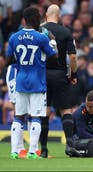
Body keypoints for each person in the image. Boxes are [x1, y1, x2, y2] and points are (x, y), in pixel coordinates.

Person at [6, 7, 57, 159]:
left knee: (18, 116)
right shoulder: (42, 37)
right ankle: (32, 152)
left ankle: (14, 151)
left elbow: (9, 59)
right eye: (39, 17)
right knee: (35, 116)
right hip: (37, 81)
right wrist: (52, 41)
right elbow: (54, 57)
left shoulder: (14, 37)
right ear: (34, 18)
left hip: (21, 79)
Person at [39, 4, 78, 158]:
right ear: (59, 16)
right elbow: (73, 57)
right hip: (60, 74)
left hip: (42, 75)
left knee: (45, 111)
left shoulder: (39, 30)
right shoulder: (66, 32)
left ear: (47, 14)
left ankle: (43, 150)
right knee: (65, 110)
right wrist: (73, 74)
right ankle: (69, 145)